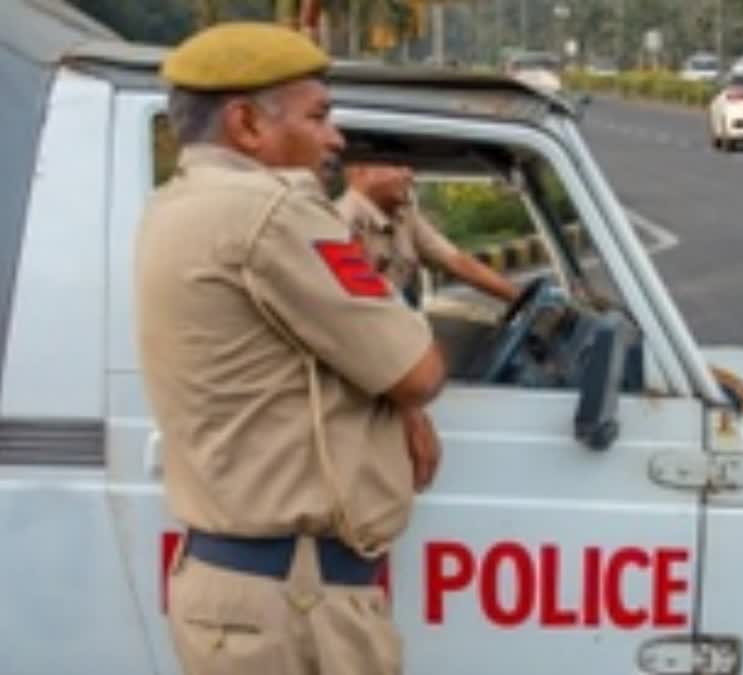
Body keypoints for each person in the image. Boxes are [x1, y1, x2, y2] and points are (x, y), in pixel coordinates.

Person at [136, 22, 446, 674]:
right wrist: (410, 399)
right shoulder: (273, 213)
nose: (335, 137)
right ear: (247, 124)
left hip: (238, 590)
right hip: (297, 606)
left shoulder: (174, 205)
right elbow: (416, 370)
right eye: (319, 115)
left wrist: (404, 410)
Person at [337, 161, 520, 307]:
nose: (409, 175)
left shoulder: (404, 215)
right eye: (397, 166)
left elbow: (458, 262)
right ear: (361, 170)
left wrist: (519, 298)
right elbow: (365, 308)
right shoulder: (342, 223)